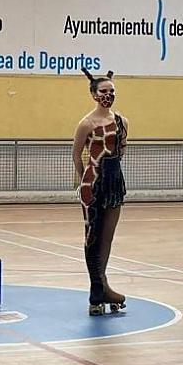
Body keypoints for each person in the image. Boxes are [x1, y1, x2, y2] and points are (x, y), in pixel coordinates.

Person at [72, 68, 128, 316]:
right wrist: (84, 179)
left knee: (107, 236)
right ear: (94, 94)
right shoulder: (86, 123)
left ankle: (103, 283)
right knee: (92, 235)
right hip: (92, 182)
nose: (108, 95)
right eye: (104, 91)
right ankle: (96, 288)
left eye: (112, 91)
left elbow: (121, 149)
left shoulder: (121, 121)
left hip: (114, 181)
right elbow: (76, 154)